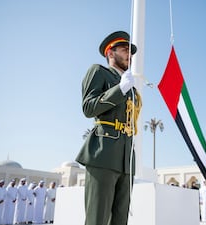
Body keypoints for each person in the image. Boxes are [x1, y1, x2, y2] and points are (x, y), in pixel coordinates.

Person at [75, 30, 141, 225]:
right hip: (103, 152)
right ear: (110, 53)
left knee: (120, 219)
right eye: (124, 49)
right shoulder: (99, 71)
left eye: (130, 51)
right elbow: (89, 107)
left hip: (126, 158)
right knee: (98, 218)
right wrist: (119, 89)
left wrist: (126, 87)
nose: (129, 54)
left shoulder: (131, 86)